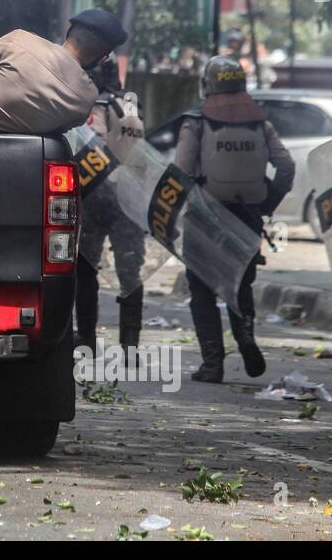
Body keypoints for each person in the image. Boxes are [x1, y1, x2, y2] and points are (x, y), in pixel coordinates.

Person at [174, 56, 296, 382]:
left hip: (204, 216)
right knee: (240, 287)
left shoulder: (196, 121)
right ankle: (245, 337)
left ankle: (212, 364)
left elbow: (182, 171)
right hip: (247, 217)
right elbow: (287, 167)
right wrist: (267, 202)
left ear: (207, 84)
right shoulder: (260, 124)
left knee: (202, 291)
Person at [0, 9, 125, 135]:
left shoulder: (18, 40)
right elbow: (56, 131)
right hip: (13, 168)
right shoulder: (86, 98)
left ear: (69, 31)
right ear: (103, 57)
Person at [73, 57, 151, 356]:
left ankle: (87, 338)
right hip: (130, 197)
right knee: (130, 272)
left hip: (96, 196)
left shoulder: (93, 104)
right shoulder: (130, 105)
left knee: (85, 267)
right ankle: (130, 345)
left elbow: (88, 144)